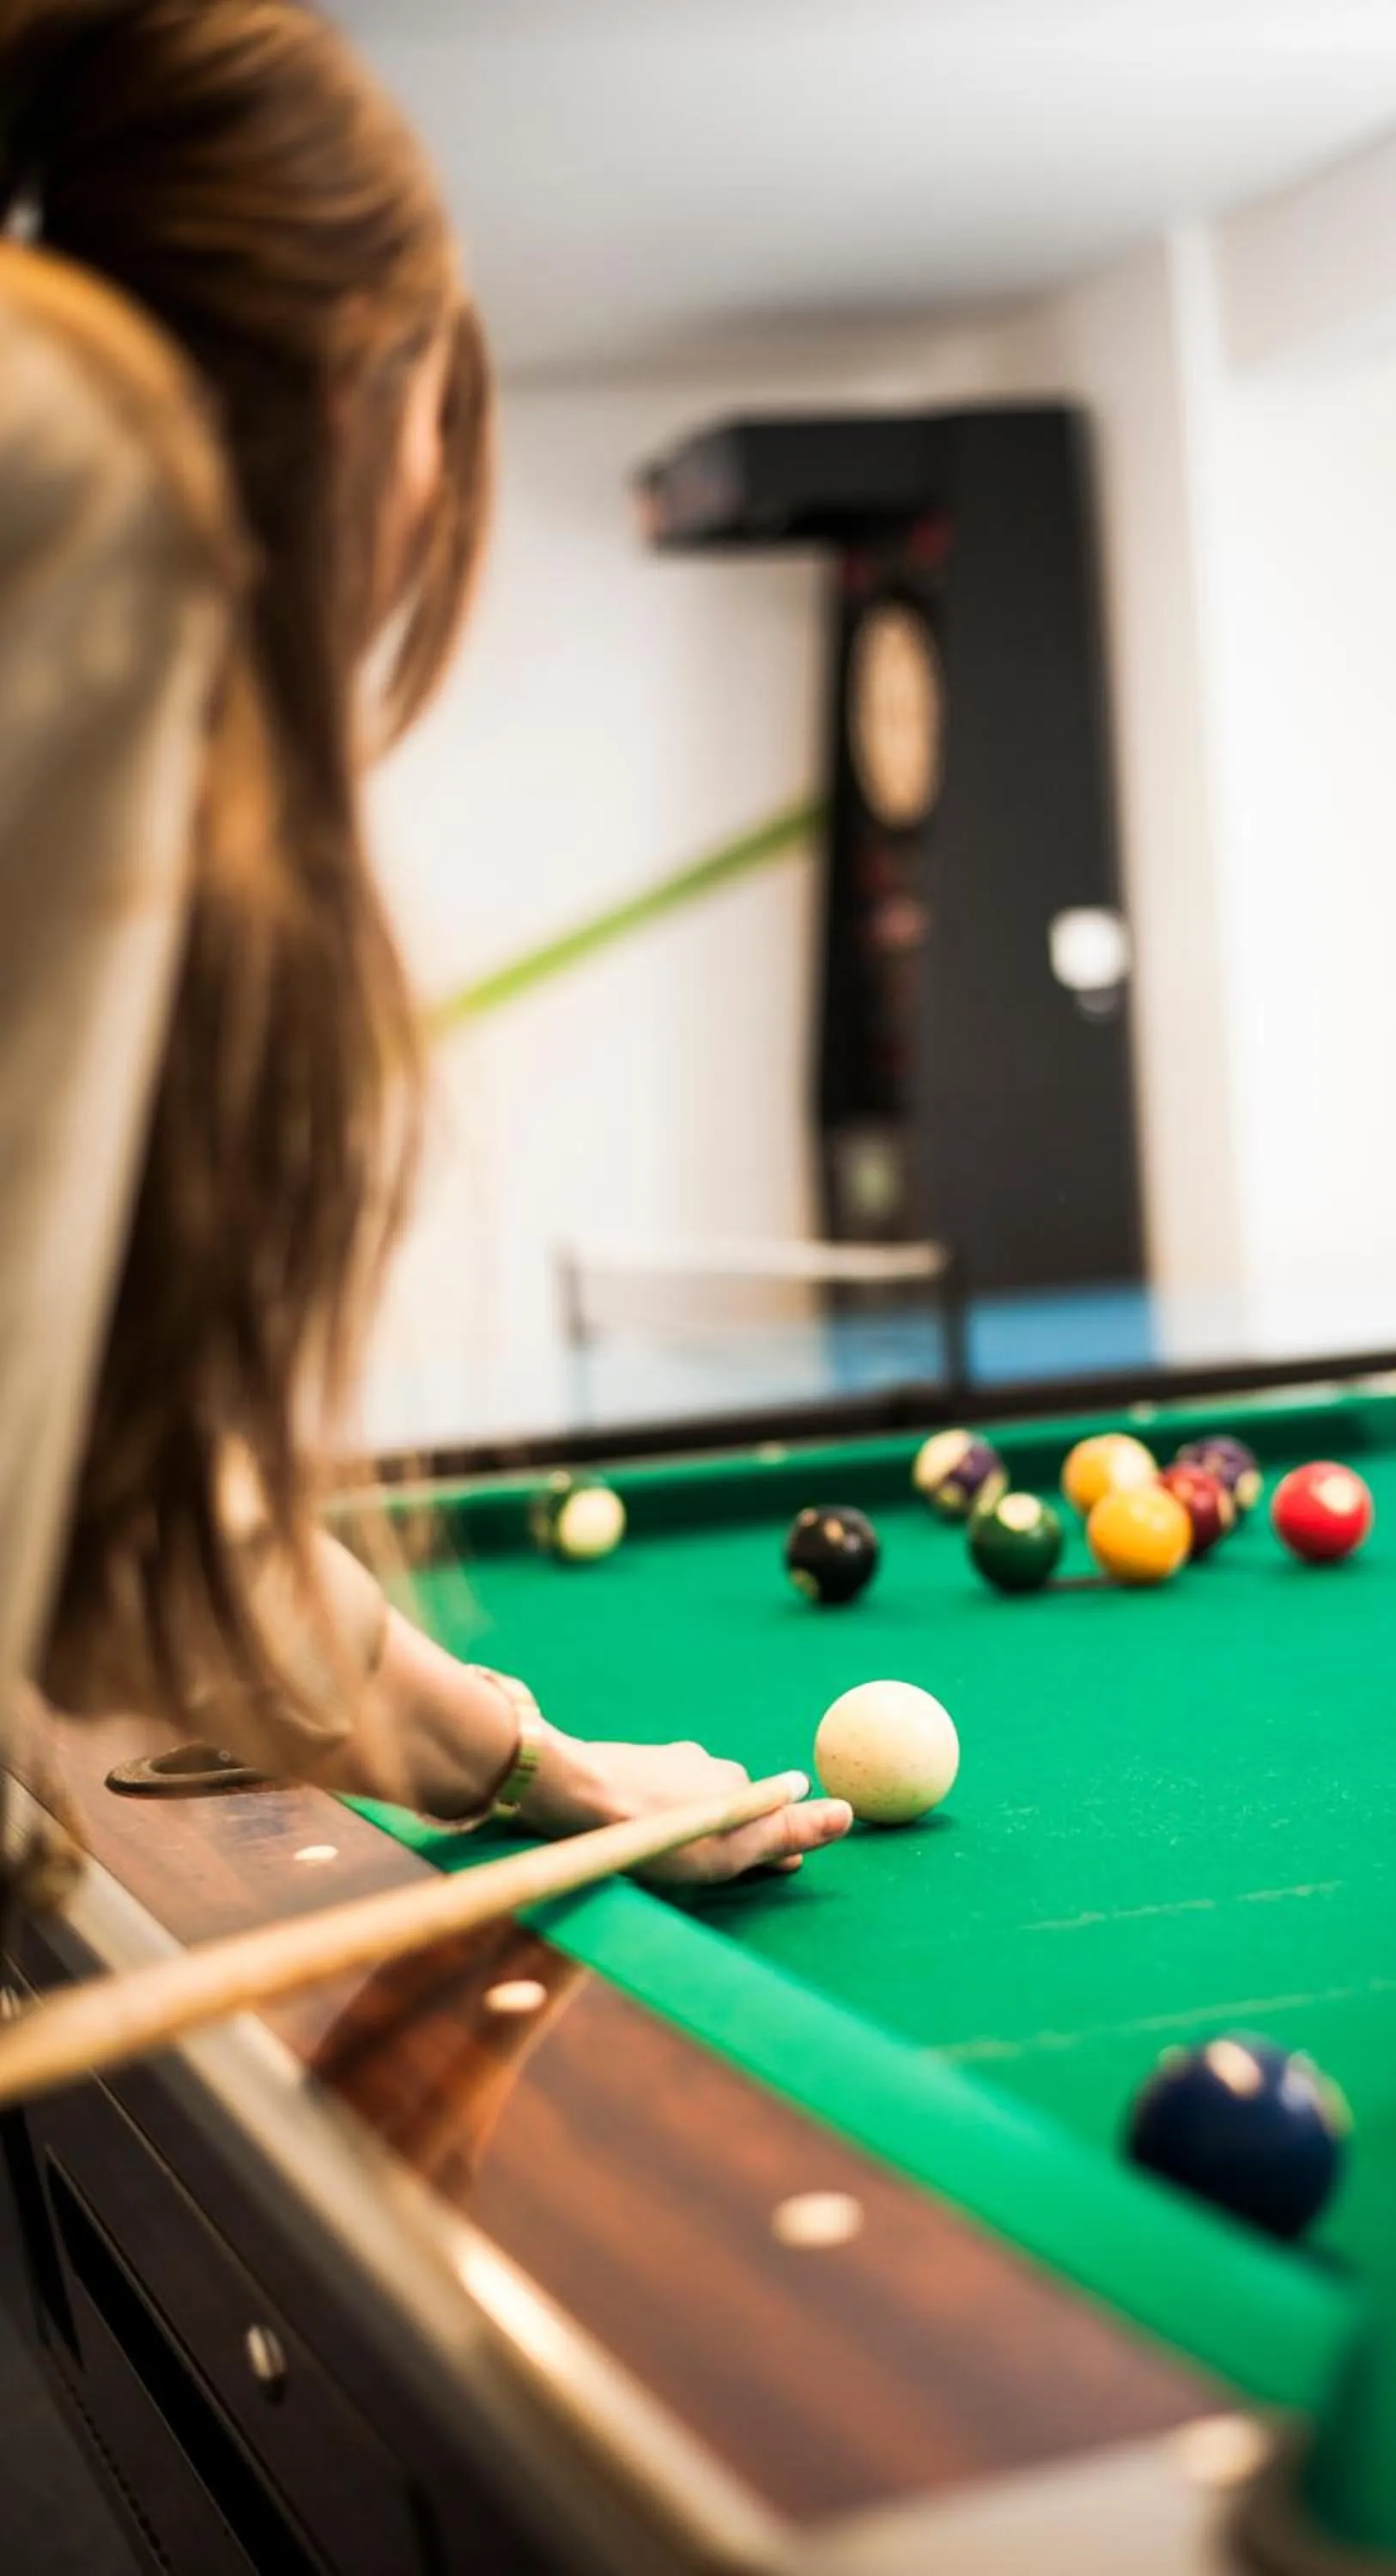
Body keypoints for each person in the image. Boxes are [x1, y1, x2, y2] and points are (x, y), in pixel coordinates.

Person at [0, 0, 852, 1886]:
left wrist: (515, 1755)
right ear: (358, 394)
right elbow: (113, 1536)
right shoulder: (81, 502)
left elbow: (107, 1519)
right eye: (435, 405)